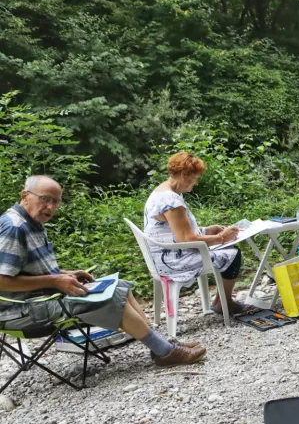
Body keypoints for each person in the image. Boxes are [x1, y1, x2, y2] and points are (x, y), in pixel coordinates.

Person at [0, 176, 206, 367]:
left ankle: (161, 346)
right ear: (25, 196)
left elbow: (26, 269)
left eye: (56, 202)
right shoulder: (15, 227)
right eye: (45, 199)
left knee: (120, 286)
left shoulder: (32, 222)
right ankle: (166, 353)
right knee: (109, 299)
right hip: (23, 311)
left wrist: (66, 274)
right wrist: (55, 280)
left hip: (43, 298)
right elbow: (2, 280)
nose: (51, 207)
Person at [144, 152, 247, 316]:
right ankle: (225, 303)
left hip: (166, 255)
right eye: (194, 178)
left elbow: (176, 231)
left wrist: (207, 231)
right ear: (184, 175)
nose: (196, 182)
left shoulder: (161, 192)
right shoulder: (171, 201)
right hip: (175, 261)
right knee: (233, 253)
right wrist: (221, 238)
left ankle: (219, 301)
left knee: (229, 249)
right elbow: (186, 238)